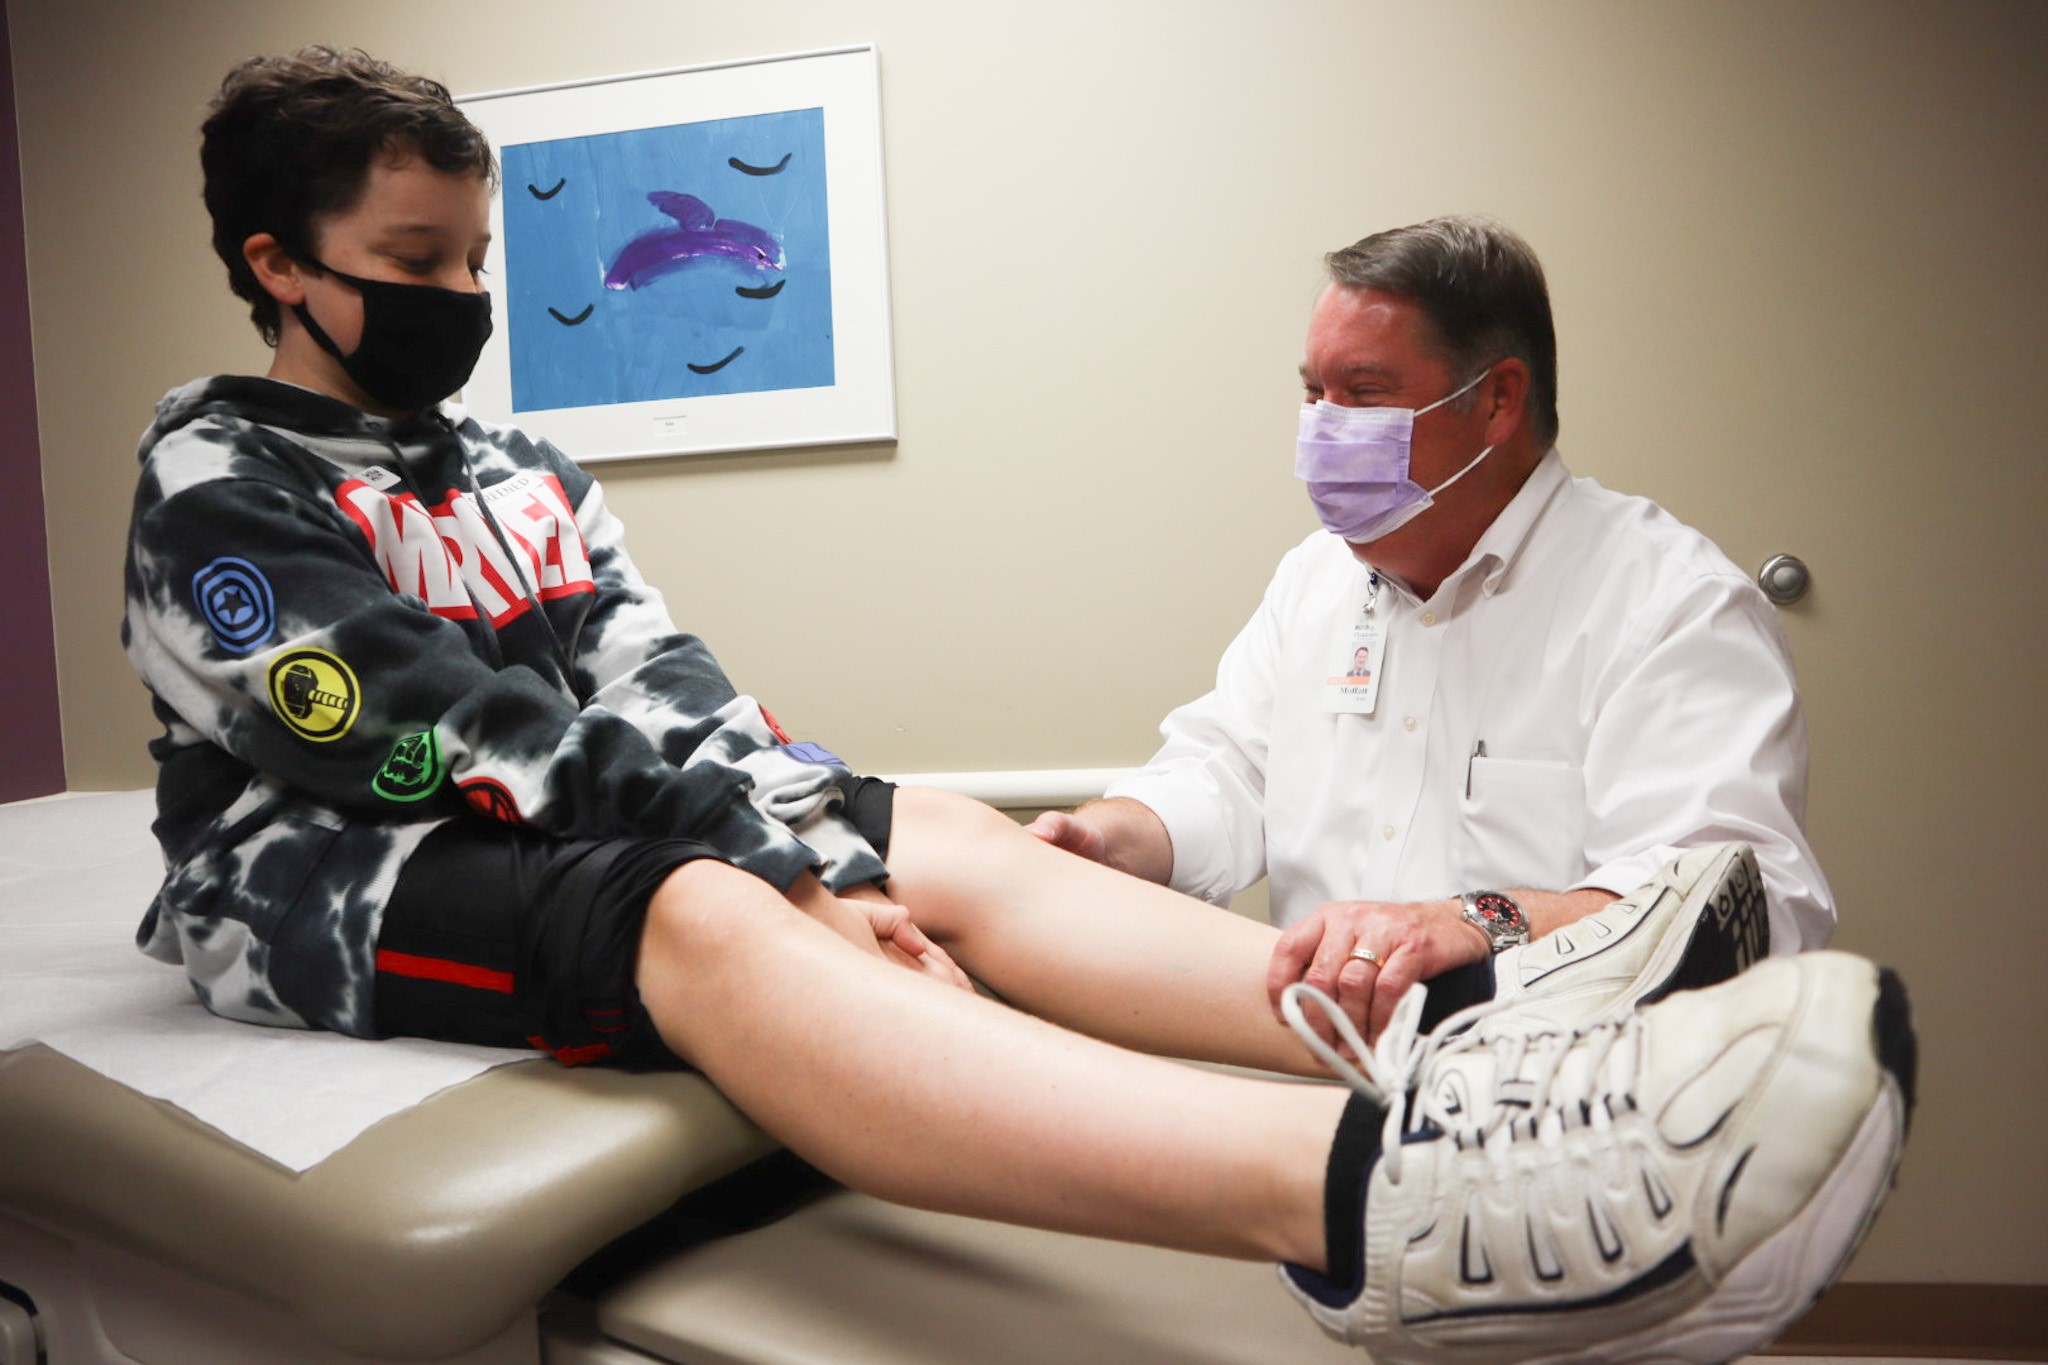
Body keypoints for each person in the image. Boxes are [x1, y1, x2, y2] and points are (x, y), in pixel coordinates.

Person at [120, 49, 1910, 1362]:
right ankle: (1374, 1185)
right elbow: (434, 731)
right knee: (695, 903)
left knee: (935, 829)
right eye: (416, 264)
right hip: (332, 872)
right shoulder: (216, 477)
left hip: (561, 808)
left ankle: (1492, 1035)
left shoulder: (516, 464)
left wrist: (818, 820)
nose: (459, 301)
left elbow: (646, 673)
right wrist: (790, 878)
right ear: (281, 261)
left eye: (470, 263)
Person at [1031, 215, 1830, 1039]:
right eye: (1315, 393)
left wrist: (1478, 921)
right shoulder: (1316, 582)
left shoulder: (1669, 604)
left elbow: (1739, 904)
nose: (1324, 430)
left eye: (1366, 394)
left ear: (1497, 400)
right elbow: (1229, 772)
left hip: (1555, 1108)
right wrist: (1112, 835)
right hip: (1323, 1087)